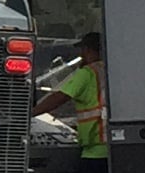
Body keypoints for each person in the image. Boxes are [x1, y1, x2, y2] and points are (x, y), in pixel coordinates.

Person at [42, 25, 107, 160]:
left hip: (94, 150)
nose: (81, 55)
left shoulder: (87, 73)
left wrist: (29, 114)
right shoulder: (110, 70)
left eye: (83, 50)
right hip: (114, 145)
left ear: (87, 50)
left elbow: (58, 98)